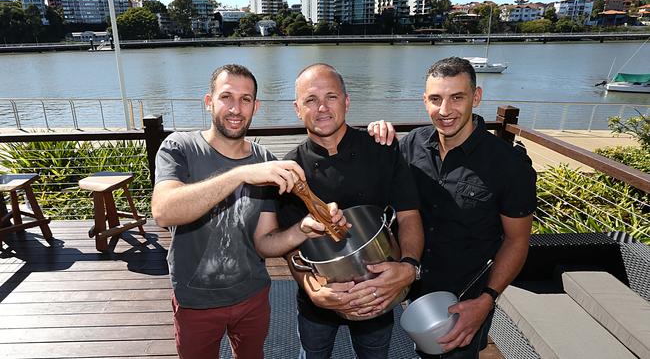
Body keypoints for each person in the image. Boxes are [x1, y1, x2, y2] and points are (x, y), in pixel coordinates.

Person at [151, 64, 348, 359]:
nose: (235, 109)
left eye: (245, 100)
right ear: (209, 102)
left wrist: (301, 229)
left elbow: (264, 243)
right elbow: (164, 211)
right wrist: (239, 175)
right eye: (226, 97)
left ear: (255, 106)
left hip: (252, 297)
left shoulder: (264, 159)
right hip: (195, 301)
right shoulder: (180, 147)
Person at [370, 56, 537, 358]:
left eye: (457, 98)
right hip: (412, 287)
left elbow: (517, 240)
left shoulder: (510, 166)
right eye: (435, 99)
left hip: (465, 300)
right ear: (424, 101)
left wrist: (486, 300)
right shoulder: (411, 145)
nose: (444, 111)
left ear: (477, 97)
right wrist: (375, 137)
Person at [278, 63, 425, 359]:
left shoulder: (382, 149)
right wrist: (313, 291)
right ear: (297, 108)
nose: (321, 108)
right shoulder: (290, 169)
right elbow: (289, 247)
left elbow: (409, 215)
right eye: (310, 100)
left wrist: (409, 265)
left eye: (331, 97)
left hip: (377, 291)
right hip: (320, 298)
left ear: (346, 101)